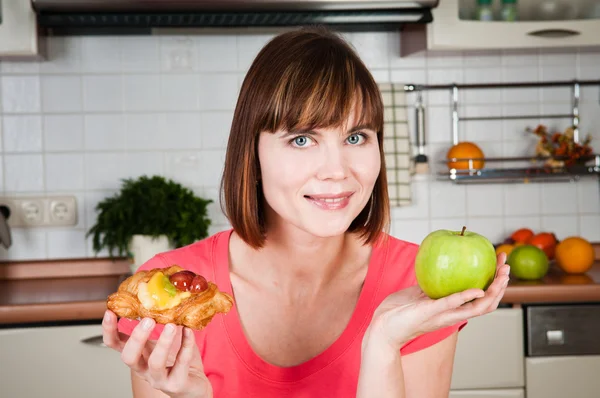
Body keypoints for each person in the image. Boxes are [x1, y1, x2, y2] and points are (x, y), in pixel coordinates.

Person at [102, 26, 509, 398]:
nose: (337, 170)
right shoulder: (168, 293)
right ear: (253, 151)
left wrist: (383, 343)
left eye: (356, 136)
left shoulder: (414, 284)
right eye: (301, 139)